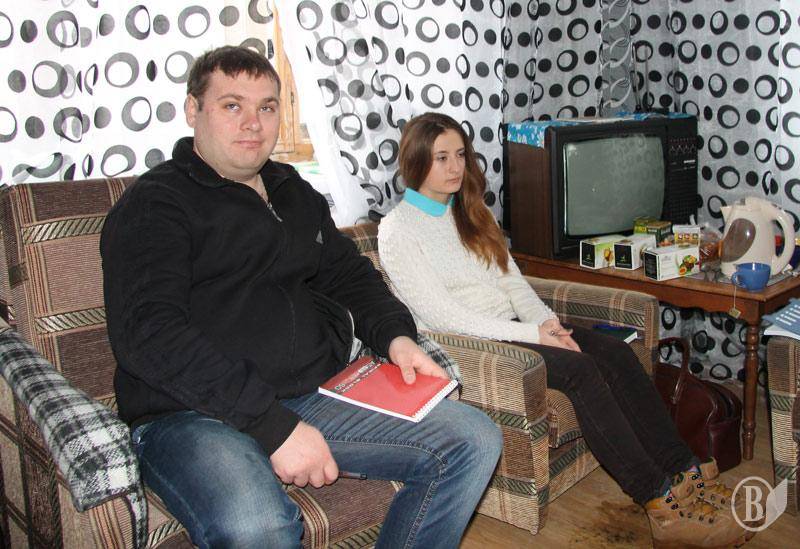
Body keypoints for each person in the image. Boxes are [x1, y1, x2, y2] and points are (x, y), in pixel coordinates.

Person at [101, 47, 502, 549]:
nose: (253, 123)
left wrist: (396, 337)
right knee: (258, 525)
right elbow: (149, 334)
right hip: (189, 413)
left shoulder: (292, 190)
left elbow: (349, 275)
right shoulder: (155, 205)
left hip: (310, 394)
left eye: (267, 107)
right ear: (192, 110)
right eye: (232, 105)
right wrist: (273, 428)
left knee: (473, 439)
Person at [378, 112, 752, 549]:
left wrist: (546, 323)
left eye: (460, 154)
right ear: (416, 161)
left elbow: (512, 282)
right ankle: (660, 503)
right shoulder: (398, 230)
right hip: (478, 345)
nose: (456, 167)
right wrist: (536, 337)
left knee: (615, 353)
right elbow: (443, 317)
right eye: (441, 157)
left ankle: (684, 475)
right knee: (581, 370)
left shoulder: (472, 212)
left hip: (518, 328)